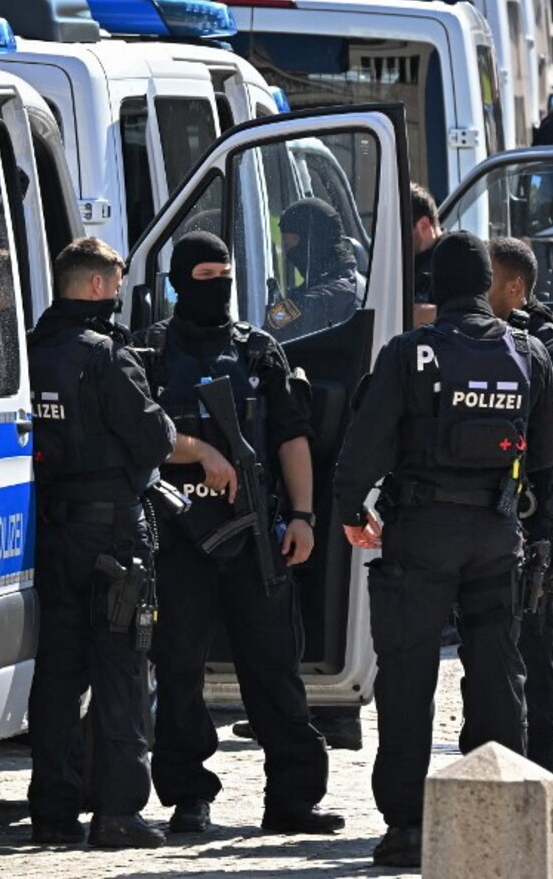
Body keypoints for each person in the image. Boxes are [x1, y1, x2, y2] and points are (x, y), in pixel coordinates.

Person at [334, 232, 553, 868]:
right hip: (497, 533)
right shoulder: (529, 352)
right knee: (498, 673)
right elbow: (544, 455)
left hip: (422, 532)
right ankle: (501, 815)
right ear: (487, 284)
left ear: (435, 285)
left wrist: (351, 510)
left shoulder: (412, 352)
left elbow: (366, 443)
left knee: (408, 677)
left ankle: (408, 826)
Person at [139, 230, 345, 837]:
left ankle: (293, 799)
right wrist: (199, 450)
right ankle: (188, 796)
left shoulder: (259, 351)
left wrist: (303, 516)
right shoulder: (150, 352)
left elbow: (291, 438)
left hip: (254, 533)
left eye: (224, 275)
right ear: (179, 283)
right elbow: (140, 433)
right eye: (204, 277)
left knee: (274, 669)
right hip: (179, 534)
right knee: (179, 670)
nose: (218, 287)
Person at [26, 236, 176, 849]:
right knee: (121, 669)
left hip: (53, 529)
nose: (118, 294)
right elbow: (155, 441)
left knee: (57, 672)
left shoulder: (29, 353)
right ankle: (117, 812)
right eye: (114, 284)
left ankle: (52, 814)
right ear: (95, 286)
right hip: (114, 533)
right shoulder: (108, 356)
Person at [488, 236, 553, 771]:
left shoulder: (536, 345)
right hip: (519, 512)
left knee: (535, 643)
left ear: (514, 287)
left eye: (485, 278)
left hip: (540, 514)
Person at [267, 198, 364, 340]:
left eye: (289, 245)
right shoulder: (350, 282)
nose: (288, 254)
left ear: (313, 243)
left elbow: (271, 331)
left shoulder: (326, 298)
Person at [411, 182, 442, 315]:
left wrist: (425, 314)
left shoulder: (455, 258)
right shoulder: (404, 260)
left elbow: (468, 314)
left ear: (423, 225)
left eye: (400, 230)